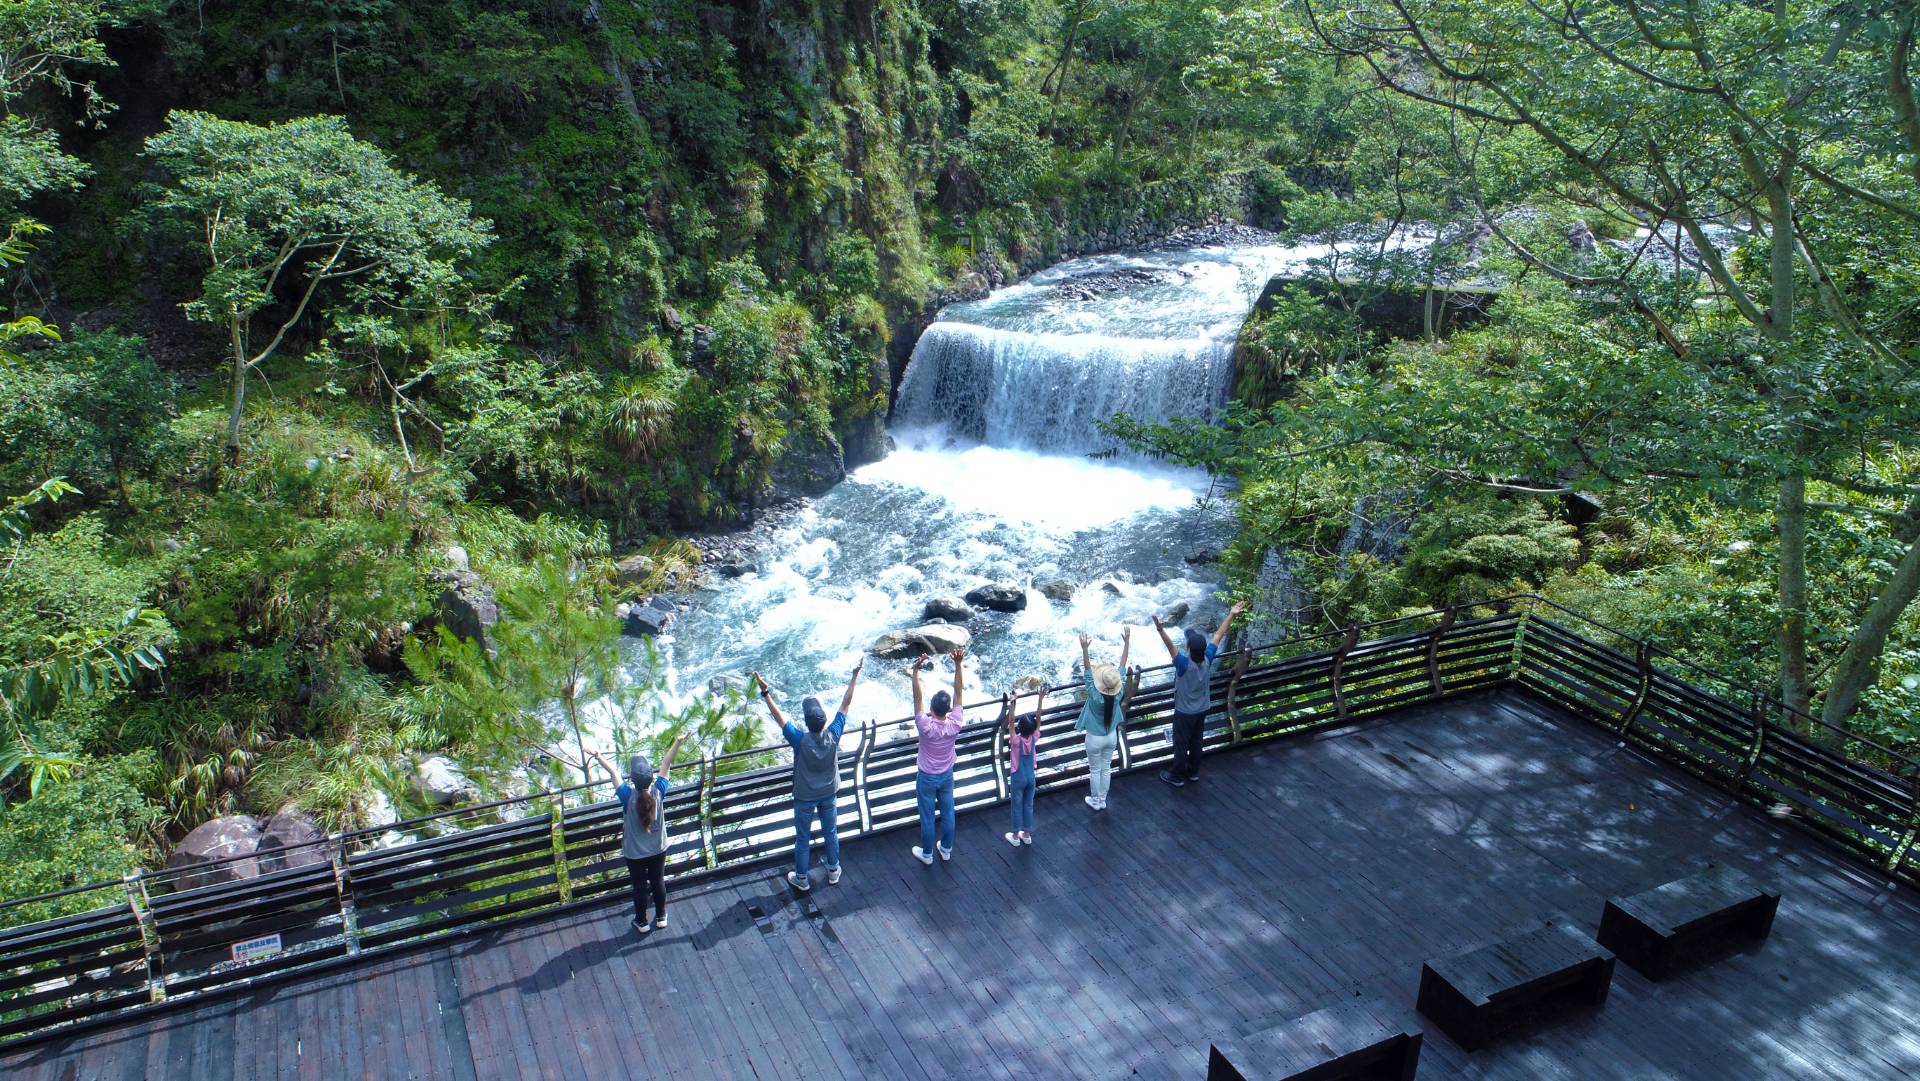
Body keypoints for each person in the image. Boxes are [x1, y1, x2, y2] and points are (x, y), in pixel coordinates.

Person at [755, 661, 862, 893]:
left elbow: (779, 717)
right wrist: (854, 676)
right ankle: (834, 870)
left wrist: (765, 692)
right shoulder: (834, 734)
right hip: (829, 793)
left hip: (804, 796)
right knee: (830, 831)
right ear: (824, 721)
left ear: (806, 722)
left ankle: (801, 878)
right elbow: (845, 704)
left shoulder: (799, 740)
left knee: (803, 838)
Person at [594, 729, 689, 934]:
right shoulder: (658, 792)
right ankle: (661, 916)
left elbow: (613, 773)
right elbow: (666, 764)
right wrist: (678, 742)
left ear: (632, 780)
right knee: (658, 881)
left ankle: (642, 921)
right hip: (658, 849)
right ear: (652, 777)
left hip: (635, 854)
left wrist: (598, 755)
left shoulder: (627, 796)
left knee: (639, 886)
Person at [1153, 601, 1246, 787]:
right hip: (1202, 709)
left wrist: (1160, 629)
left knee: (1181, 743)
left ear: (1188, 649)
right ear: (1202, 650)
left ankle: (1177, 775)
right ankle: (1193, 771)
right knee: (1196, 741)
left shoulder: (1183, 665)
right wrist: (1232, 614)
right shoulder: (1208, 658)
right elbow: (1219, 635)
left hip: (1184, 712)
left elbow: (1170, 646)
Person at [910, 648, 965, 865]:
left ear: (931, 708)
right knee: (948, 812)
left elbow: (917, 697)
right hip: (947, 774)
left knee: (927, 817)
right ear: (949, 709)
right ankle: (946, 848)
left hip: (926, 777)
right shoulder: (955, 723)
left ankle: (927, 854)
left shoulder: (925, 726)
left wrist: (915, 672)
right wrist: (958, 665)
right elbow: (959, 693)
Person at [1075, 626, 1130, 811]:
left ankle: (1095, 801)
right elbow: (1123, 666)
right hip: (1111, 736)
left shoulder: (1094, 694)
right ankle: (1102, 800)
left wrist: (1085, 649)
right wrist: (1127, 642)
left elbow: (1088, 671)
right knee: (1106, 768)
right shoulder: (1119, 692)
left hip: (1094, 737)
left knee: (1095, 770)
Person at [1003, 687, 1043, 846]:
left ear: (1019, 728)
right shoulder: (1035, 737)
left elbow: (1010, 722)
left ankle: (1014, 836)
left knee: (1016, 806)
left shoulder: (1016, 741)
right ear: (1033, 729)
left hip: (1018, 777)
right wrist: (1040, 698)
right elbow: (1038, 718)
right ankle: (1026, 834)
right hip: (1030, 777)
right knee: (1028, 804)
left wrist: (1013, 702)